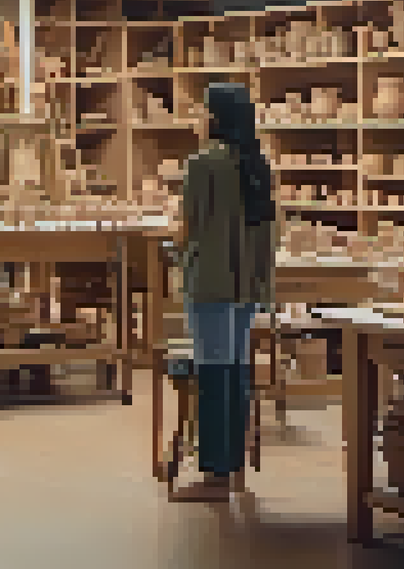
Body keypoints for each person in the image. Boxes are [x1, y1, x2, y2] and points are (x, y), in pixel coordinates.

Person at [171, 82, 280, 503]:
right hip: (246, 285)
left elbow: (190, 226)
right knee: (236, 372)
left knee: (213, 373)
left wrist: (174, 245)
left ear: (215, 119)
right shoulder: (257, 164)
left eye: (203, 112)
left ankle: (215, 475)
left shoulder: (202, 165)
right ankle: (233, 468)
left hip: (212, 281)